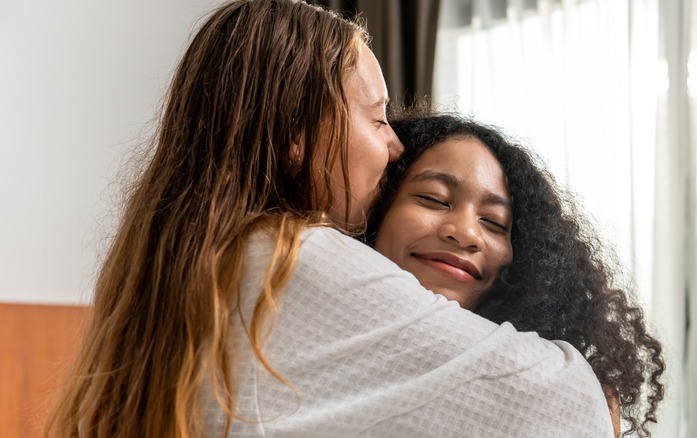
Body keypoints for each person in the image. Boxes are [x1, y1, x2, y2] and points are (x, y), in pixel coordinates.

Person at [45, 1, 615, 437]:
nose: (394, 146)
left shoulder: (192, 256)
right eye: (375, 119)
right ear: (297, 137)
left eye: (496, 222)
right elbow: (568, 406)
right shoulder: (291, 258)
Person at [365, 111, 665, 437]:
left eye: (493, 223)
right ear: (378, 205)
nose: (465, 233)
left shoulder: (557, 383)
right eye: (433, 199)